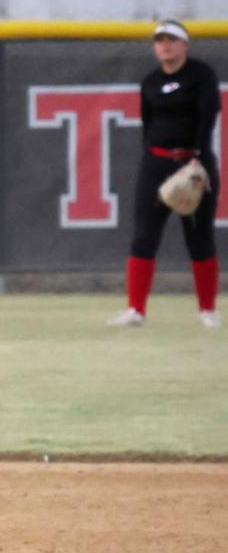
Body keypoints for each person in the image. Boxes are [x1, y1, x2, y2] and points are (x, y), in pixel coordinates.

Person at [106, 19, 219, 329]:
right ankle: (135, 310)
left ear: (184, 44)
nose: (164, 45)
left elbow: (208, 116)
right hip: (156, 164)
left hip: (193, 162)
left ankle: (207, 310)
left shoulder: (200, 75)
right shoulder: (151, 82)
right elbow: (148, 123)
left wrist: (198, 159)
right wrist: (152, 160)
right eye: (159, 40)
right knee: (144, 236)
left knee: (199, 237)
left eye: (171, 39)